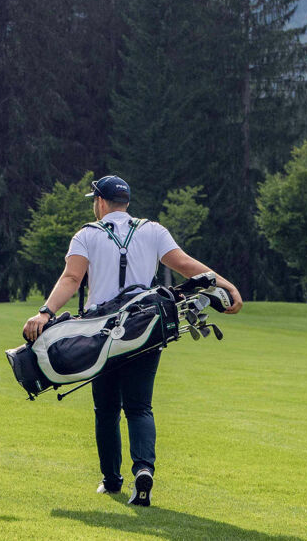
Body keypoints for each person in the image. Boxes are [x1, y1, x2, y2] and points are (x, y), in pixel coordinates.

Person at [22, 175, 244, 506]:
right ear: (126, 203)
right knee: (140, 406)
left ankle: (111, 480)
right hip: (146, 329)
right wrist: (227, 286)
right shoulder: (153, 231)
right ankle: (144, 470)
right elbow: (187, 267)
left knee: (106, 409)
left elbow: (72, 278)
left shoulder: (87, 234)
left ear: (100, 202)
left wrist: (44, 312)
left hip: (102, 333)